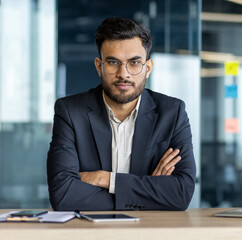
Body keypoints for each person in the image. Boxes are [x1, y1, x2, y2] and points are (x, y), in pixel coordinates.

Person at [47, 17, 196, 211]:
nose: (124, 73)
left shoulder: (172, 112)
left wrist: (105, 179)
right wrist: (149, 191)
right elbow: (63, 194)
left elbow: (181, 194)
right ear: (99, 66)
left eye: (134, 63)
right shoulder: (70, 112)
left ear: (147, 68)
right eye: (113, 62)